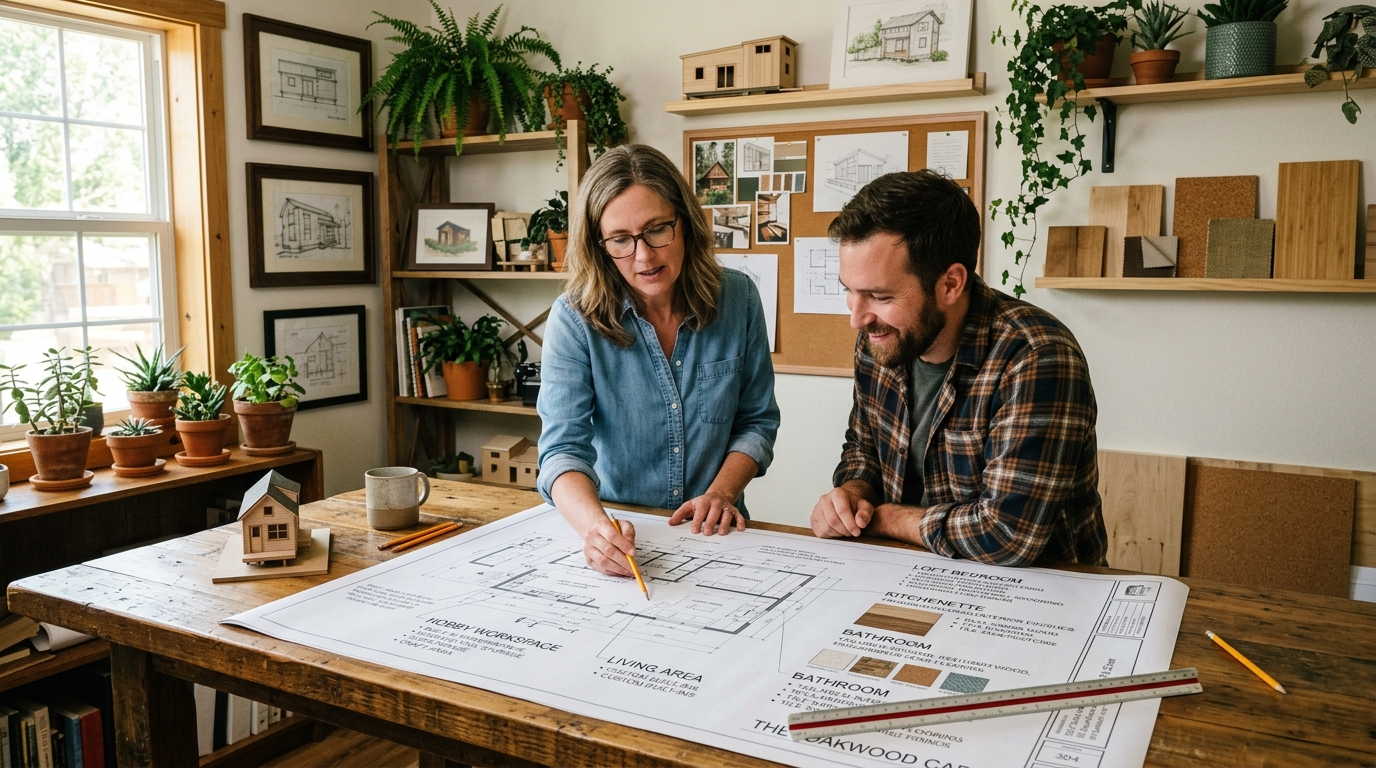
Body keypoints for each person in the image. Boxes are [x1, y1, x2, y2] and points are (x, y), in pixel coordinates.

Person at [811, 170, 1107, 567]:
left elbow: (1006, 536)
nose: (857, 317)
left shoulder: (1036, 355)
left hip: (1040, 596)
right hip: (910, 570)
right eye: (850, 291)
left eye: (879, 296)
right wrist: (853, 493)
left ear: (950, 284)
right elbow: (864, 448)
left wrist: (881, 517)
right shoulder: (881, 337)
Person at [538, 144, 780, 577]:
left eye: (656, 230)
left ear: (684, 223)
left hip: (716, 538)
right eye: (621, 240)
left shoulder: (739, 299)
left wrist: (722, 493)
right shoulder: (574, 320)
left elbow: (756, 421)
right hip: (622, 535)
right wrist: (598, 530)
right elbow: (561, 452)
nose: (644, 256)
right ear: (599, 245)